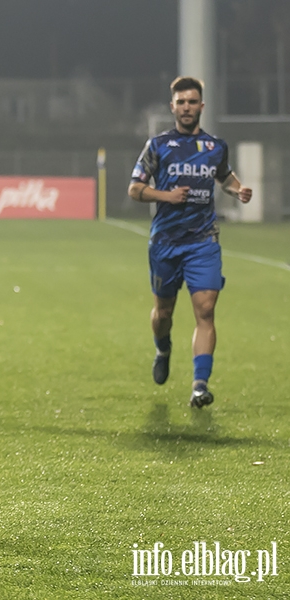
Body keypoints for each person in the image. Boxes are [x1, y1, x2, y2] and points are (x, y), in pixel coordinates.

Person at [128, 76, 252, 408]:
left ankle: (200, 385)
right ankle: (163, 347)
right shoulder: (158, 146)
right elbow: (135, 189)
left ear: (201, 106)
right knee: (164, 312)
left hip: (202, 242)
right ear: (173, 107)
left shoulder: (214, 147)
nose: (186, 107)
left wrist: (237, 190)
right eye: (181, 102)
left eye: (192, 102)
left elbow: (225, 176)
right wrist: (166, 195)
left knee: (206, 310)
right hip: (166, 242)